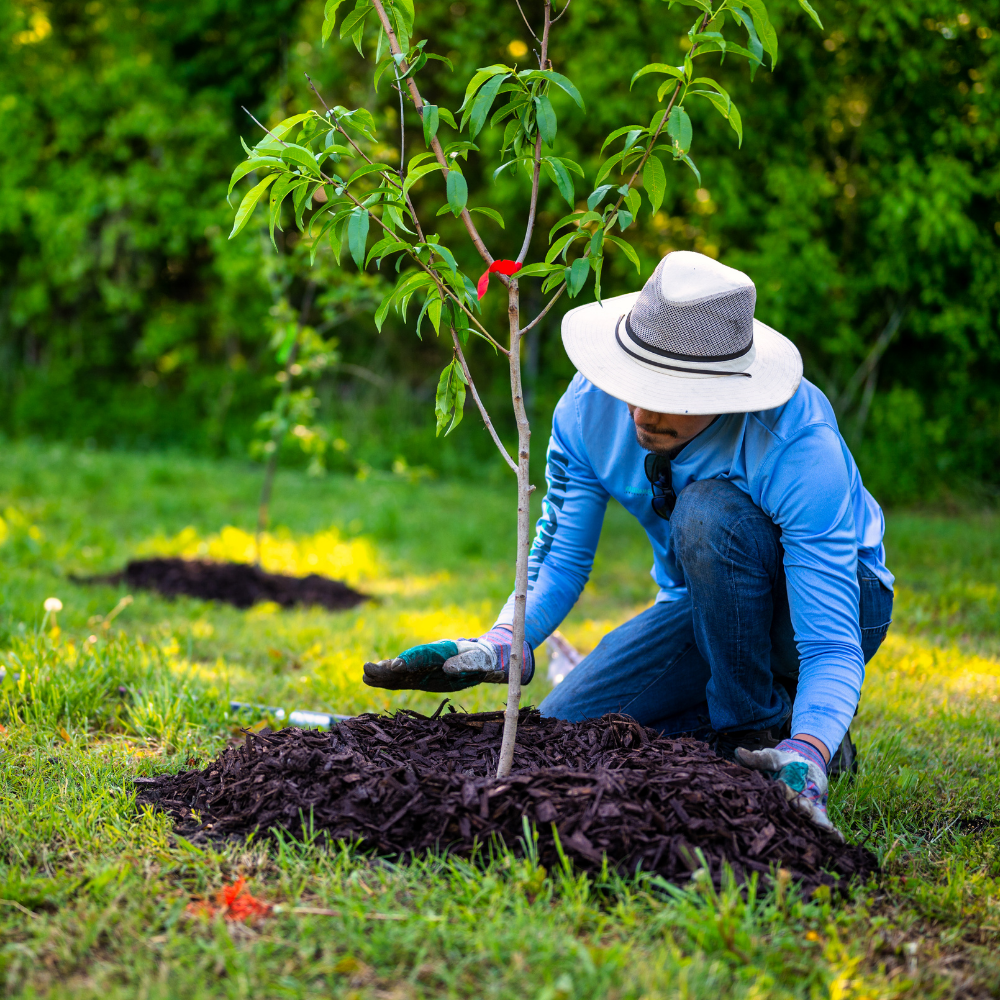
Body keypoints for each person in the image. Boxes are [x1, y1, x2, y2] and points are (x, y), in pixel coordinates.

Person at [363, 251, 894, 838]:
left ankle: (768, 734)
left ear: (725, 391)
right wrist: (503, 642)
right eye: (633, 382)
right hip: (701, 606)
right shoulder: (588, 408)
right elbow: (560, 556)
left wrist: (809, 749)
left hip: (836, 605)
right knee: (568, 729)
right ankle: (779, 720)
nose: (640, 409)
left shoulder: (795, 443)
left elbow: (830, 641)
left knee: (708, 512)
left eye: (671, 393)